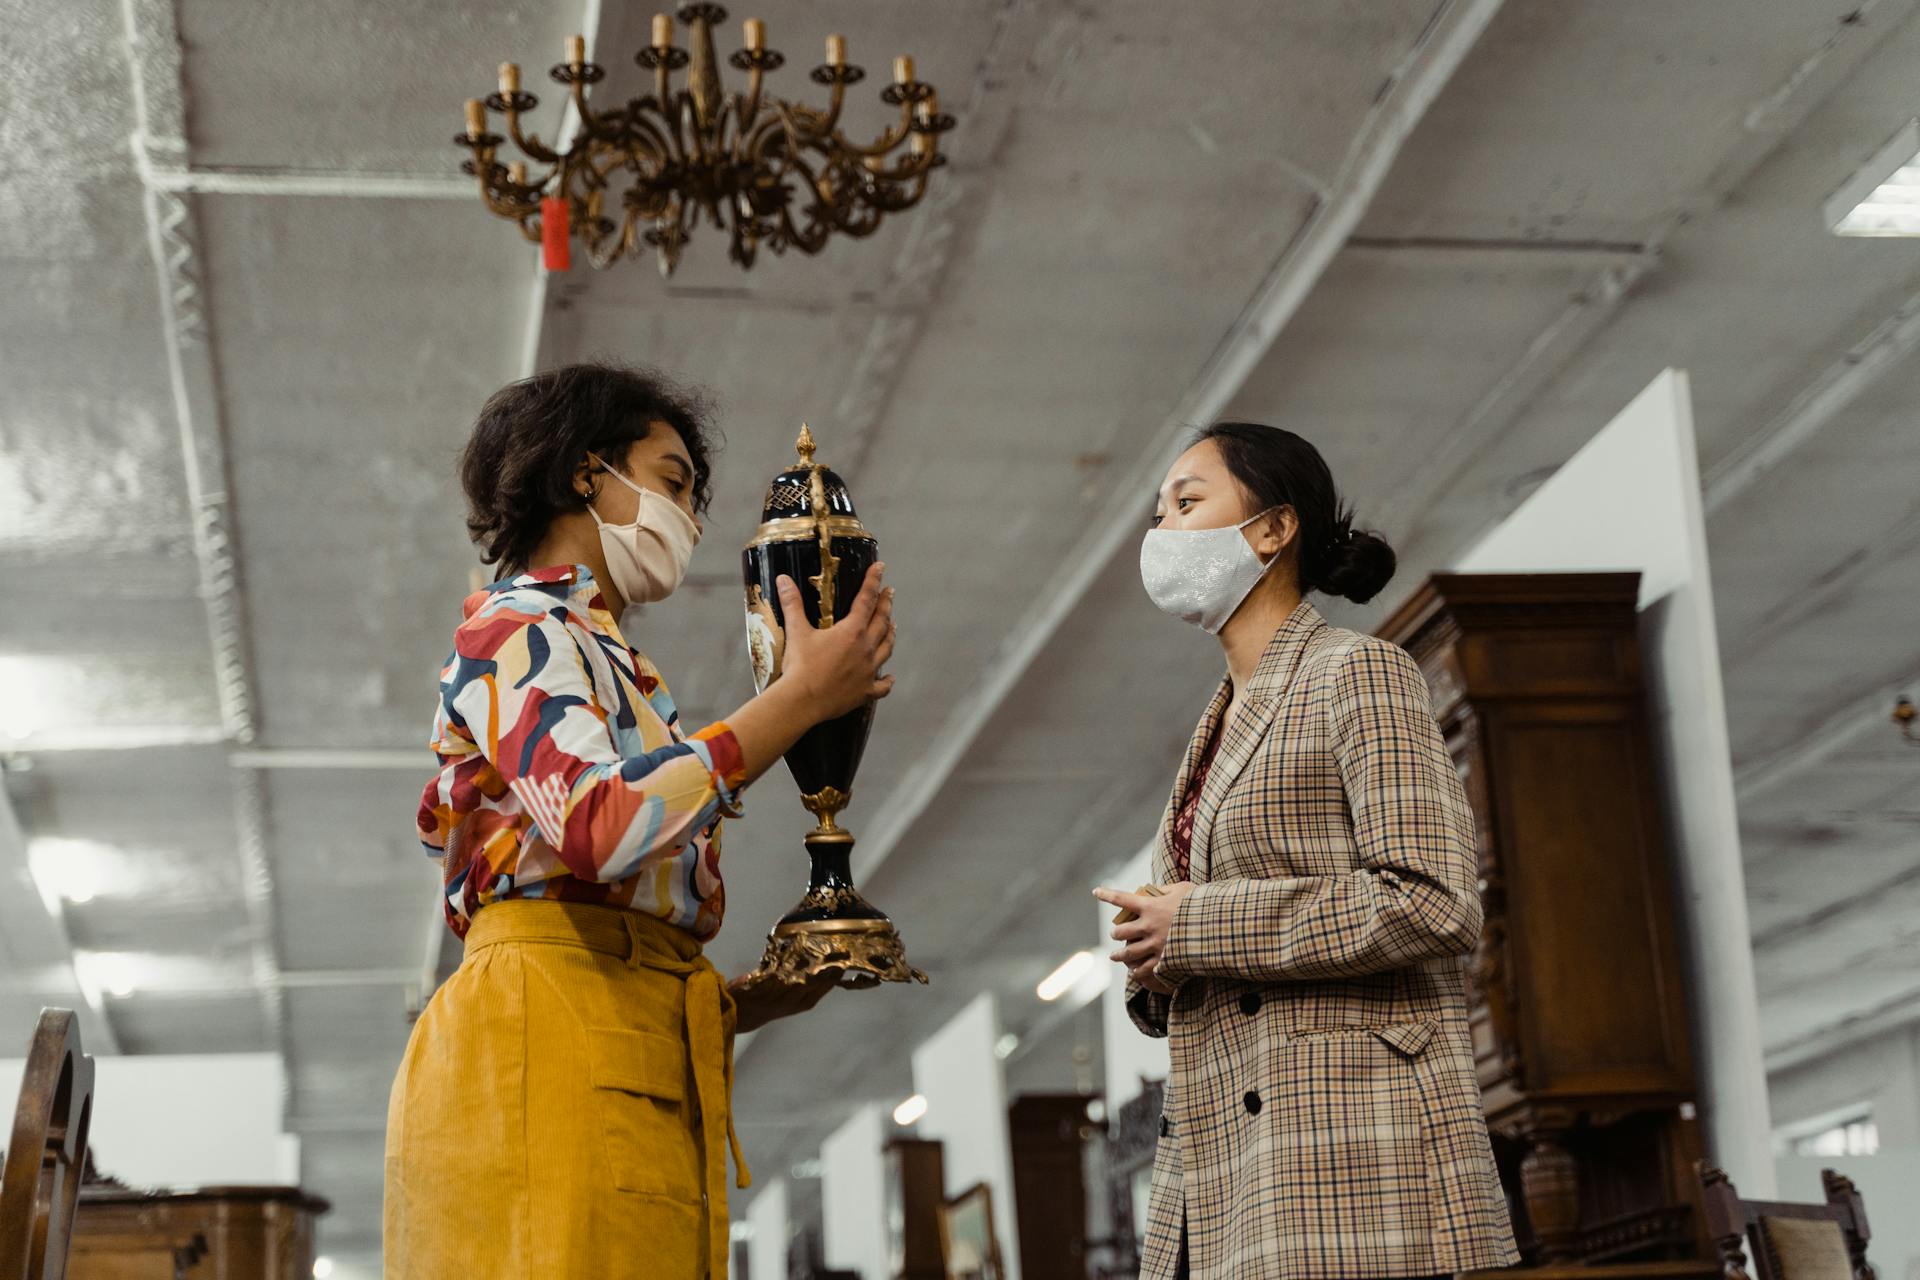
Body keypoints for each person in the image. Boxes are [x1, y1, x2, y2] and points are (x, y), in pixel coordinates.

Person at [384, 363, 896, 1279]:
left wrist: (752, 999)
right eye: (670, 482)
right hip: (543, 1034)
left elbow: (613, 920)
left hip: (623, 1031)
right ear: (588, 472)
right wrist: (800, 700)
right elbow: (595, 827)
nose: (689, 521)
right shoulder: (515, 629)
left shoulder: (613, 662)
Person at [1095, 422, 1517, 1280]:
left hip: (1352, 1153)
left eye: (1187, 501)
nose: (1161, 532)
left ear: (1272, 529)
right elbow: (1200, 937)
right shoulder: (1210, 730)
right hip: (1229, 1171)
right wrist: (1157, 961)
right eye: (1158, 510)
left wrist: (1198, 922)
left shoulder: (1359, 674)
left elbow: (1433, 900)